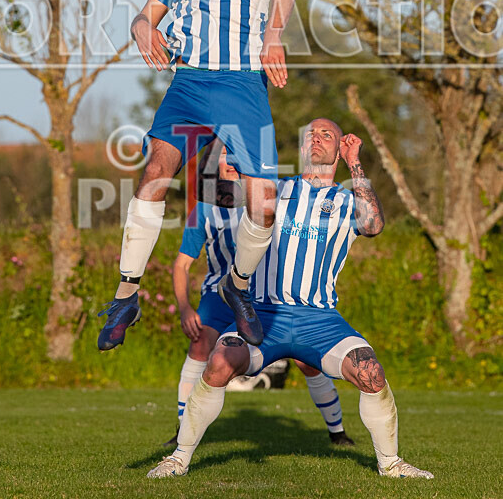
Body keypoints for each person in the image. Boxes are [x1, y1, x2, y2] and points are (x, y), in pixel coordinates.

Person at [147, 119, 434, 480]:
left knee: (370, 372)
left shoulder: (346, 200)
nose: (316, 139)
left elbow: (374, 226)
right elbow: (215, 193)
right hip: (263, 315)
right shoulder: (274, 190)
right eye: (310, 135)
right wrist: (224, 132)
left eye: (326, 134)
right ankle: (178, 459)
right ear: (301, 149)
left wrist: (355, 163)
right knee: (218, 362)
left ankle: (390, 464)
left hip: (320, 320)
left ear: (339, 148)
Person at [98, 0, 299, 350]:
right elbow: (146, 16)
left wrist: (273, 39)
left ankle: (239, 285)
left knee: (263, 204)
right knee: (154, 175)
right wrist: (143, 27)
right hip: (187, 83)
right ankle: (127, 294)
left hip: (239, 83)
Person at [166, 140, 354, 447]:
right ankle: (181, 431)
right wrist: (186, 309)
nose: (229, 160)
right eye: (223, 154)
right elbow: (181, 265)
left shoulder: (266, 195)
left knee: (306, 359)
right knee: (201, 344)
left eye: (235, 153)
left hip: (262, 293)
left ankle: (337, 431)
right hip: (219, 294)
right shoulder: (202, 208)